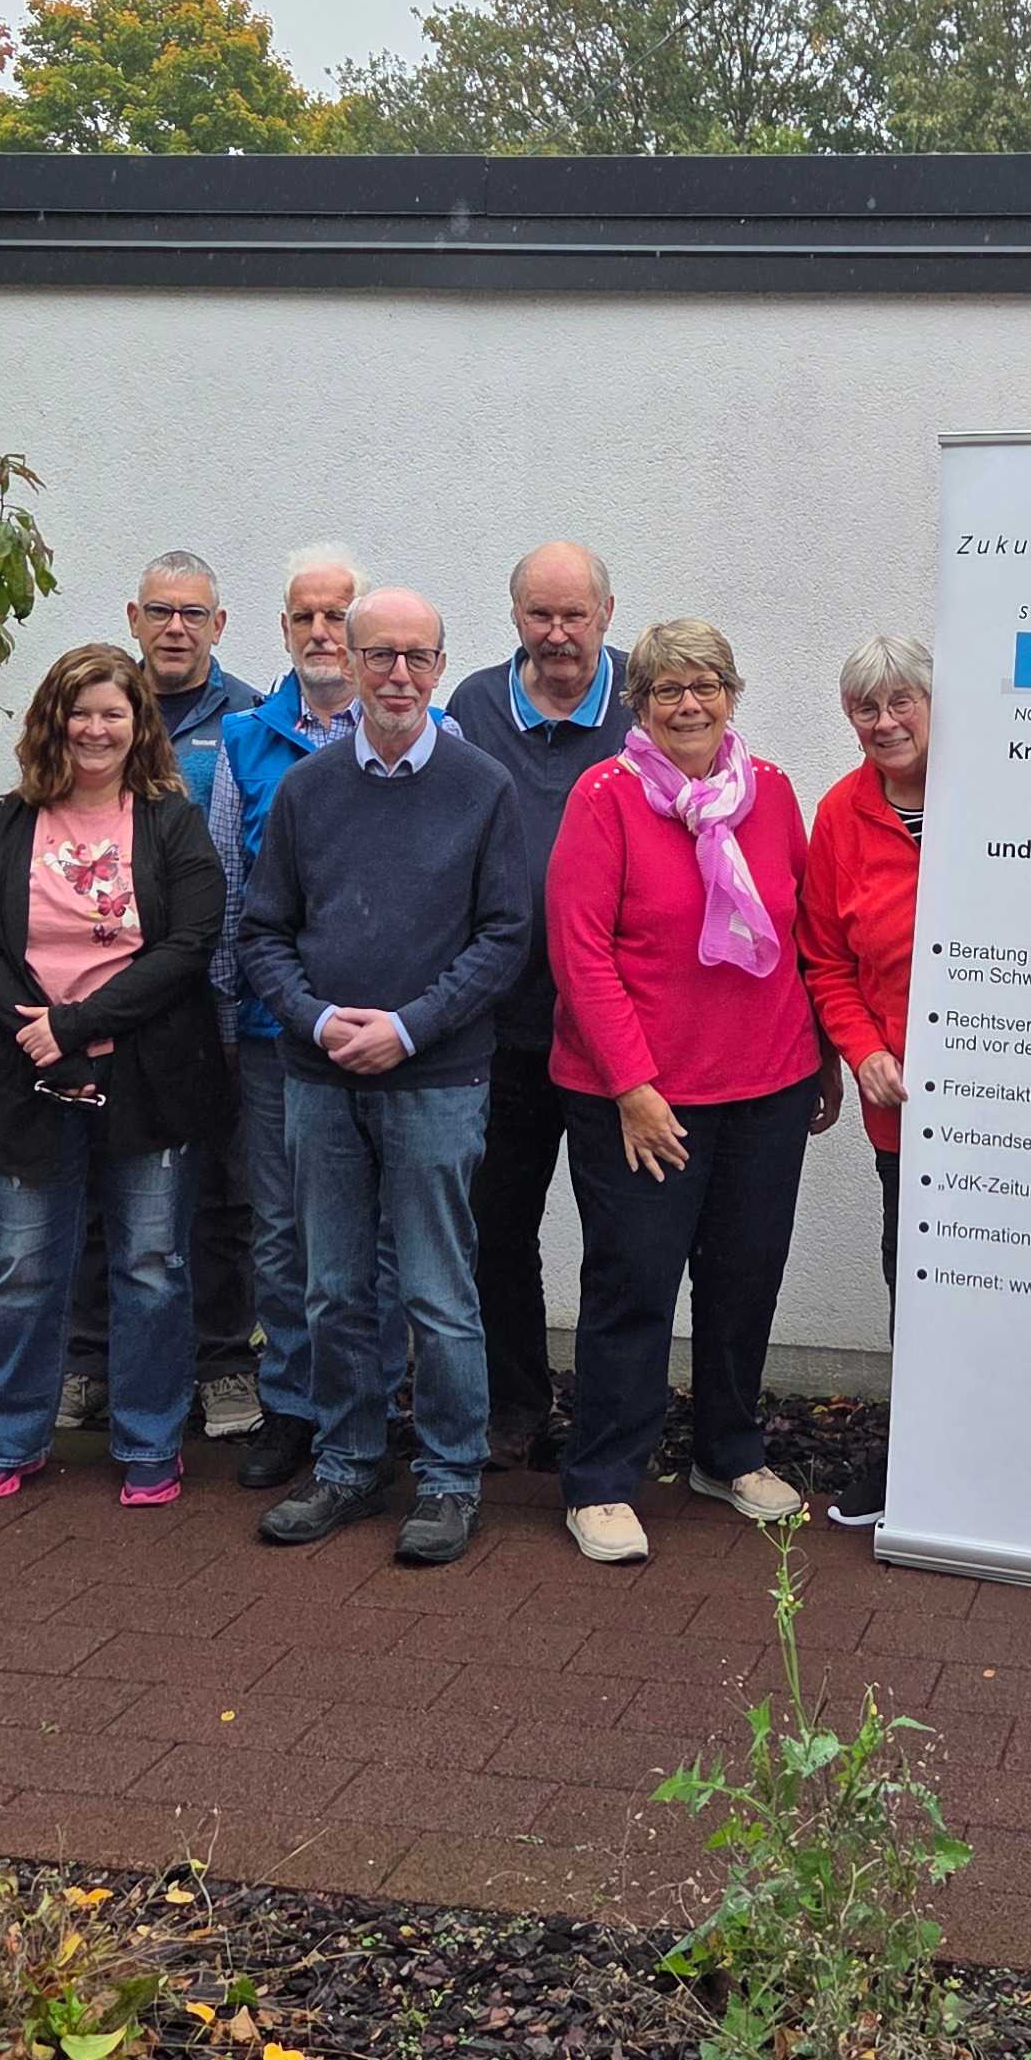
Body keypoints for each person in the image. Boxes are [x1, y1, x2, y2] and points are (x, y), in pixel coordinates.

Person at [236, 586, 532, 1566]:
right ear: (351, 664)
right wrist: (319, 1020)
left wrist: (409, 1028)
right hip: (320, 1078)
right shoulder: (306, 791)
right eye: (380, 656)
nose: (398, 675)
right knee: (331, 1290)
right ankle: (348, 1462)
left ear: (441, 667)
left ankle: (448, 1480)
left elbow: (504, 937)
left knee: (440, 1294)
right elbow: (264, 931)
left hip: (436, 1082)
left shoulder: (483, 787)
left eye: (417, 657)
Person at [546, 620, 841, 1566]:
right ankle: (602, 1479)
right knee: (634, 1283)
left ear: (731, 694)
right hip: (642, 1098)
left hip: (768, 1083)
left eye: (706, 684)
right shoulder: (606, 797)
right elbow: (580, 954)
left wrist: (822, 1056)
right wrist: (632, 1086)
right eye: (667, 688)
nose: (688, 703)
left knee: (745, 1275)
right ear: (639, 705)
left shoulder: (773, 792)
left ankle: (729, 1452)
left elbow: (802, 932)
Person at [0, 644, 231, 1507]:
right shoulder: (3, 825)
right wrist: (45, 1039)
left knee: (151, 1265)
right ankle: (10, 1437)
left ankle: (150, 1439)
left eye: (115, 712)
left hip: (150, 1075)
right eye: (81, 711)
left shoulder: (173, 822)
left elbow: (191, 943)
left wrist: (75, 1025)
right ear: (54, 720)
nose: (96, 728)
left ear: (139, 724)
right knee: (24, 1268)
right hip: (30, 1075)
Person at [57, 553, 270, 1446]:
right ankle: (88, 1359)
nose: (175, 627)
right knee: (97, 1186)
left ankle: (222, 1363)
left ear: (220, 625)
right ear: (133, 617)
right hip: (98, 1001)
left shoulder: (251, 719)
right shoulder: (95, 713)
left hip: (207, 997)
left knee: (221, 1193)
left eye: (193, 612)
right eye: (159, 610)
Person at [445, 542, 638, 1471]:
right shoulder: (473, 707)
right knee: (496, 1226)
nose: (558, 634)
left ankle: (607, 1418)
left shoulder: (650, 698)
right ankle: (513, 1404)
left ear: (607, 612)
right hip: (503, 1025)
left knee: (621, 1237)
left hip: (615, 1035)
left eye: (574, 614)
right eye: (539, 615)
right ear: (515, 614)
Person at [205, 544, 388, 1493]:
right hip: (278, 1037)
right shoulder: (245, 738)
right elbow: (228, 894)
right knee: (280, 1233)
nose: (322, 631)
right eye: (304, 616)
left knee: (377, 1237)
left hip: (389, 1037)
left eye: (337, 614)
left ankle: (369, 1405)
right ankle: (293, 1405)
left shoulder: (418, 730)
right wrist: (227, 1024)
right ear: (282, 630)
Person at [800, 632, 932, 1529]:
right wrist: (862, 1047)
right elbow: (826, 958)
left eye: (901, 702)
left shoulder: (1001, 792)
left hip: (1020, 1099)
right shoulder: (840, 815)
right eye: (865, 707)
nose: (885, 722)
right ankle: (917, 1454)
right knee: (914, 1283)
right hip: (904, 1108)